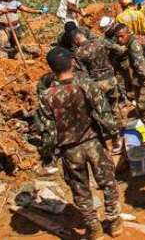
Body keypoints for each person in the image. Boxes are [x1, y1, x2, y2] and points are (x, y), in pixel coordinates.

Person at [37, 47, 122, 240]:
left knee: (80, 189)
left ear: (52, 69)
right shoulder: (87, 85)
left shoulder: (46, 96)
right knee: (108, 182)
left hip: (69, 150)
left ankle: (94, 228)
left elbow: (48, 131)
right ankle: (115, 222)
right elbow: (104, 115)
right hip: (94, 143)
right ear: (72, 63)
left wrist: (48, 155)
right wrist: (115, 135)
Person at [111, 24, 145, 129]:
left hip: (144, 81)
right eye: (117, 37)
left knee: (143, 107)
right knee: (142, 105)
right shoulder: (130, 44)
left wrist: (141, 82)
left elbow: (143, 70)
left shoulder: (134, 47)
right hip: (141, 79)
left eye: (121, 36)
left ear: (128, 33)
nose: (119, 39)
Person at [72, 30, 122, 111]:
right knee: (115, 104)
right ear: (83, 35)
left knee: (104, 108)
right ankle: (119, 118)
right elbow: (116, 48)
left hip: (98, 82)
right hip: (111, 78)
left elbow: (84, 71)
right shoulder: (99, 42)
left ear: (75, 41)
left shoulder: (78, 53)